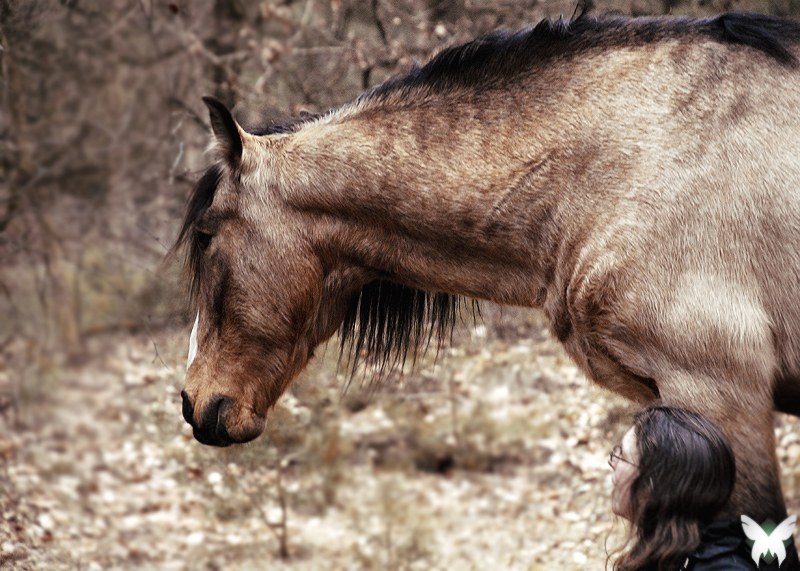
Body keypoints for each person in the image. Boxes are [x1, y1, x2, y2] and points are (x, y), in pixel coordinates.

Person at [608, 405, 768, 571]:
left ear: (655, 484)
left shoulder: (721, 568)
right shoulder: (670, 555)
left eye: (623, 456)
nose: (612, 462)